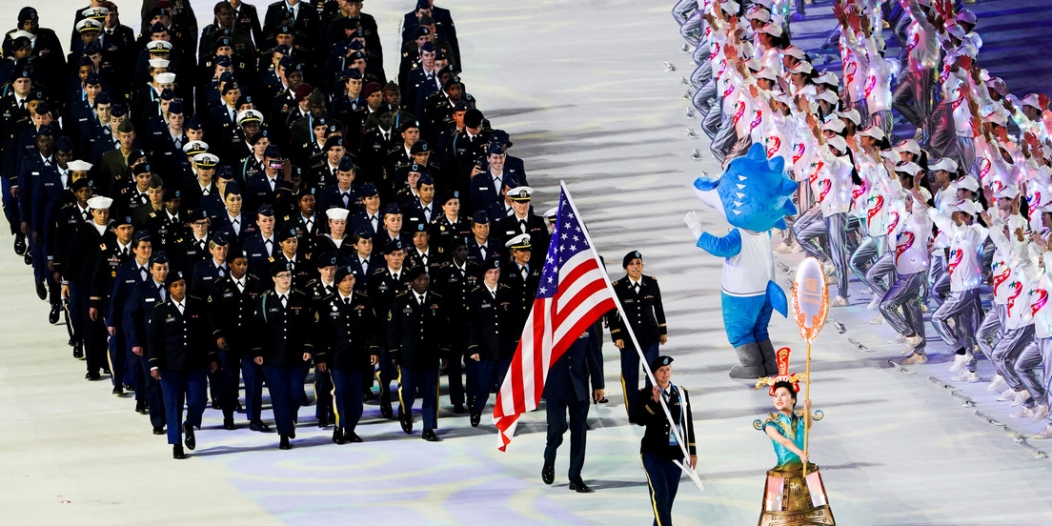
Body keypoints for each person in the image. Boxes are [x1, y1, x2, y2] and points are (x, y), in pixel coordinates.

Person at [755, 347, 834, 525]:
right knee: (781, 517)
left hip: (805, 471)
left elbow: (807, 428)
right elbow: (783, 440)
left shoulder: (798, 419)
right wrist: (799, 453)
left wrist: (808, 410)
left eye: (783, 394)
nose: (779, 398)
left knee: (815, 514)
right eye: (776, 395)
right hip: (783, 474)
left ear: (793, 399)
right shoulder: (770, 423)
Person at [147, 271, 218, 459]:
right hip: (170, 366)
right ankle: (176, 444)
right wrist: (154, 364)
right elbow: (153, 339)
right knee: (173, 405)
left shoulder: (197, 304)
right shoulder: (160, 309)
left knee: (199, 400)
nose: (180, 288)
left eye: (182, 284)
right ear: (169, 288)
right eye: (175, 285)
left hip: (195, 363)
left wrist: (212, 357)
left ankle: (190, 424)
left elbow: (207, 333)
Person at [252, 261, 314, 450]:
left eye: (288, 275)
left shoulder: (301, 297)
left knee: (295, 394)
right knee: (279, 395)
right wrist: (257, 351)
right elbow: (257, 327)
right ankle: (284, 434)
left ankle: (290, 420)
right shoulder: (264, 300)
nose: (285, 279)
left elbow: (309, 325)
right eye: (281, 276)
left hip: (297, 356)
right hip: (272, 357)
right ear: (273, 279)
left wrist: (308, 347)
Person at [315, 266, 379, 444]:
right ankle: (339, 428)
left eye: (351, 279)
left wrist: (374, 349)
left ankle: (350, 429)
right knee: (340, 392)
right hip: (336, 358)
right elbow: (320, 332)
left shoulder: (363, 300)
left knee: (356, 397)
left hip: (359, 357)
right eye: (344, 280)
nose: (348, 283)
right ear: (337, 283)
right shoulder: (327, 302)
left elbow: (372, 328)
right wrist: (320, 356)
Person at [387, 265, 449, 441]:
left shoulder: (436, 299)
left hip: (430, 355)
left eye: (426, 279)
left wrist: (444, 352)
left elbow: (443, 328)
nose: (424, 282)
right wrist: (394, 354)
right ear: (411, 282)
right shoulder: (400, 300)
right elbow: (394, 329)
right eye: (420, 279)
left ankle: (428, 427)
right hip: (408, 355)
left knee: (430, 393)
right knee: (407, 390)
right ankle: (405, 411)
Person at [541, 325, 604, 493]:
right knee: (557, 427)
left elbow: (594, 354)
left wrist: (598, 384)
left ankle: (575, 476)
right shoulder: (548, 320)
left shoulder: (586, 322)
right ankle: (549, 457)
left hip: (579, 385)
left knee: (579, 432)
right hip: (555, 385)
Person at [636, 356, 696, 526]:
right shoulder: (645, 394)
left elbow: (687, 423)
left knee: (666, 502)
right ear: (653, 374)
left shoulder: (681, 393)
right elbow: (640, 420)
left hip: (676, 453)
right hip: (652, 453)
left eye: (668, 369)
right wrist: (654, 401)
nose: (665, 373)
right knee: (660, 497)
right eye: (661, 370)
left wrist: (692, 451)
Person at [610, 250, 667, 423]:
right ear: (626, 267)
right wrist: (616, 336)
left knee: (652, 374)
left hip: (650, 336)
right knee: (630, 375)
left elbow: (658, 307)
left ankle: (651, 408)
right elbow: (613, 314)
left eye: (638, 263)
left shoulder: (651, 283)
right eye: (631, 264)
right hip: (628, 339)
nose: (636, 267)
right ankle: (633, 412)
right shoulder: (618, 287)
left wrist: (662, 330)